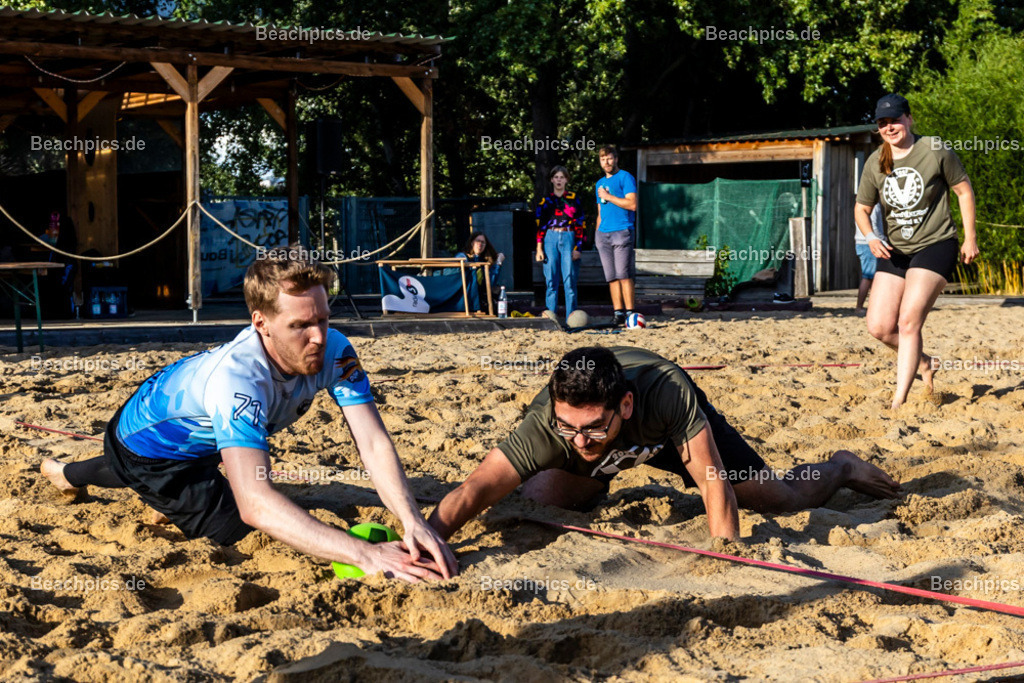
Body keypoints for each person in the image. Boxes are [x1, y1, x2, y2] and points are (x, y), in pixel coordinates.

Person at [41, 252, 456, 583]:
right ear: (261, 324)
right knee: (247, 538)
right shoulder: (238, 382)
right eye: (301, 325)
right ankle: (148, 494)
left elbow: (372, 441)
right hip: (152, 451)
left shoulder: (335, 347)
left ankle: (65, 473)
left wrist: (411, 519)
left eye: (324, 319)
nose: (318, 337)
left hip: (190, 434)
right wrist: (363, 553)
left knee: (159, 464)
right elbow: (256, 506)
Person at [427, 346, 900, 542]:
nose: (579, 438)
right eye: (568, 428)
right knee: (542, 500)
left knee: (779, 500)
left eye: (592, 427)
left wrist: (726, 561)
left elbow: (714, 485)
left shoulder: (667, 394)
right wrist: (429, 541)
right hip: (611, 449)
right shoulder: (551, 425)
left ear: (625, 406)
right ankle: (598, 481)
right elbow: (474, 489)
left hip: (668, 437)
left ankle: (840, 467)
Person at [855, 93, 978, 410]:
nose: (889, 127)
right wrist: (870, 236)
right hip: (896, 251)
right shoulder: (876, 162)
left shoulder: (934, 149)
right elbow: (861, 208)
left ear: (909, 119)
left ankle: (899, 400)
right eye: (883, 123)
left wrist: (970, 238)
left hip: (936, 244)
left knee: (909, 321)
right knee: (880, 327)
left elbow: (963, 191)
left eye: (895, 119)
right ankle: (925, 362)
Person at [594, 146, 638, 326]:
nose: (607, 162)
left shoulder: (625, 177)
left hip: (622, 231)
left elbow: (632, 204)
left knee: (623, 274)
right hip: (603, 234)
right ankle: (618, 313)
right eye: (603, 159)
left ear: (616, 159)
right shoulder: (598, 183)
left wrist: (609, 196)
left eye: (609, 158)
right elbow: (600, 212)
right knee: (611, 276)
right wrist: (597, 234)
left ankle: (630, 314)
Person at [535, 165, 585, 316]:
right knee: (551, 280)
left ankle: (572, 317)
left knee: (569, 280)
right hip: (550, 238)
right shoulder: (545, 201)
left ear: (566, 180)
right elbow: (540, 226)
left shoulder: (574, 199)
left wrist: (578, 248)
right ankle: (551, 317)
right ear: (551, 179)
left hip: (569, 236)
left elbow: (581, 224)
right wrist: (539, 248)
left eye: (562, 177)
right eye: (556, 177)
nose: (559, 180)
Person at [456, 233, 504, 312]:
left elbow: (490, 284)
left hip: (477, 300)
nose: (480, 244)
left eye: (483, 242)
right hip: (462, 298)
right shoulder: (462, 256)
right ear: (472, 243)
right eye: (478, 241)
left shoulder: (483, 262)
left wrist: (498, 263)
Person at [854, 204, 885, 313]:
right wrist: (883, 240)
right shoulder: (873, 205)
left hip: (863, 243)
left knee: (872, 278)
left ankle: (873, 306)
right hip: (869, 244)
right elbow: (874, 227)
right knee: (868, 276)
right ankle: (859, 307)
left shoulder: (861, 205)